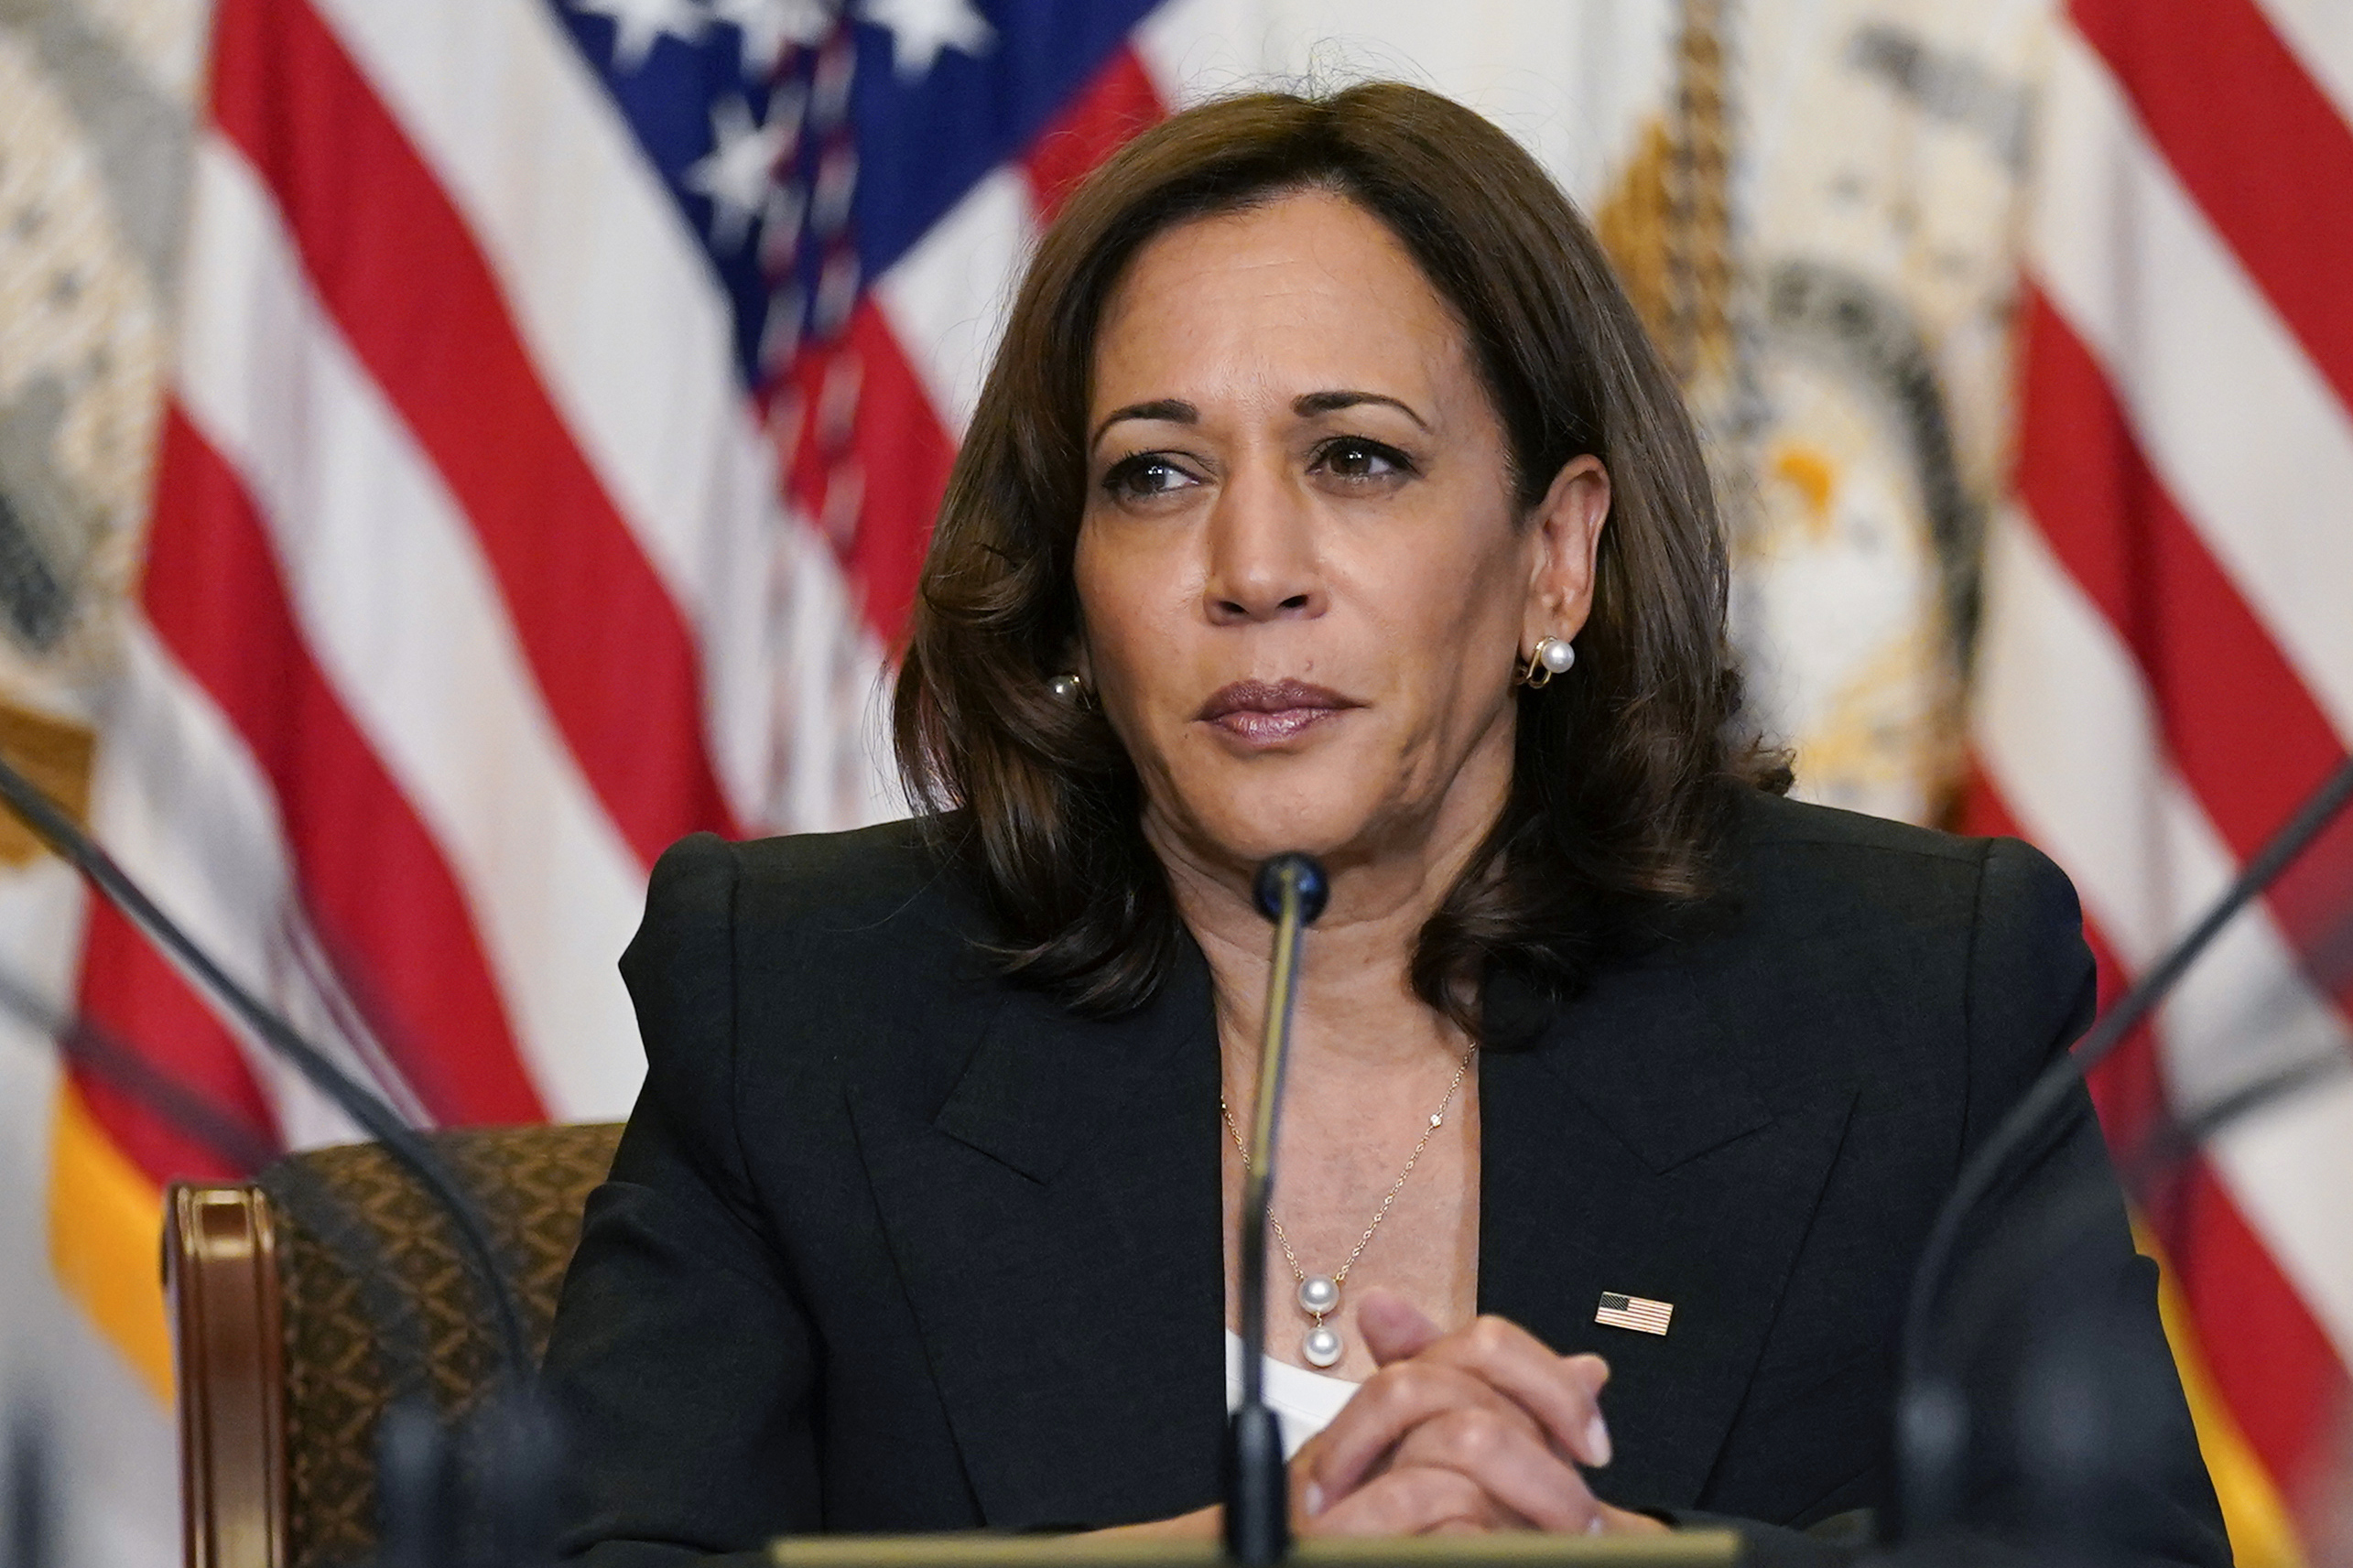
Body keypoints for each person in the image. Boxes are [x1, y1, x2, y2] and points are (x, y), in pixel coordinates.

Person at [540, 82, 2227, 1564]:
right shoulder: (803, 1005)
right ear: (1068, 586)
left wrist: (1600, 1562)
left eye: (1355, 459)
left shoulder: (1909, 991)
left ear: (1554, 556)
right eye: (1155, 474)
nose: (1252, 567)